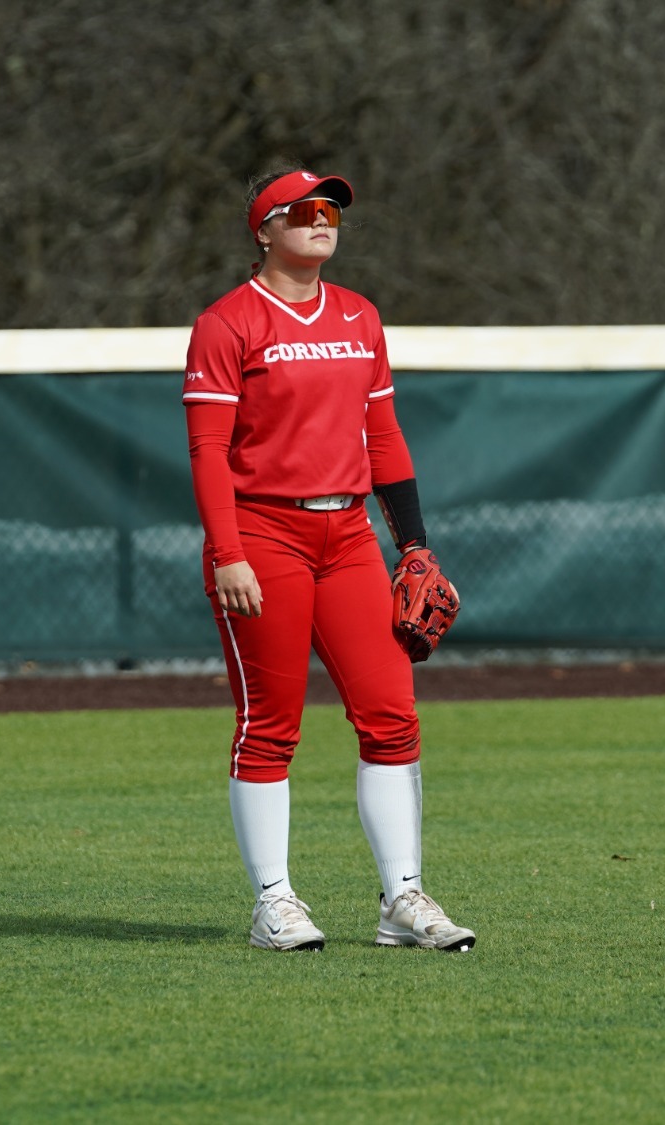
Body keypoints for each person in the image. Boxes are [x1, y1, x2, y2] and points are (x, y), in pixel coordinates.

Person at [181, 166, 476, 953]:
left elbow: (382, 438)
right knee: (270, 725)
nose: (324, 220)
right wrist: (227, 552)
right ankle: (273, 901)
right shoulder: (228, 323)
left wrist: (412, 543)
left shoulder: (359, 314)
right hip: (264, 533)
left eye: (332, 210)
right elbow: (208, 450)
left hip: (348, 536)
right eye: (305, 210)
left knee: (391, 717)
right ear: (265, 229)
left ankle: (403, 898)